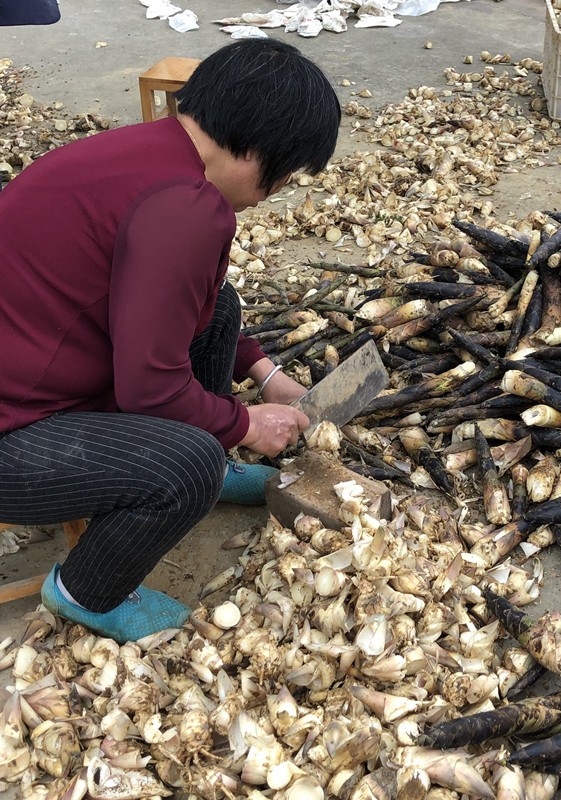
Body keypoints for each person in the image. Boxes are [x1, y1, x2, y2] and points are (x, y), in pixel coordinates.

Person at [0, 39, 341, 643]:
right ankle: (86, 592)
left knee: (220, 310)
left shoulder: (148, 152)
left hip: (33, 365)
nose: (275, 192)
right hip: (14, 433)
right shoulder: (185, 209)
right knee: (187, 464)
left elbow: (187, 303)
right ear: (260, 151)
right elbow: (149, 391)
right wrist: (243, 425)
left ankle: (214, 458)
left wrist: (263, 372)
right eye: (284, 177)